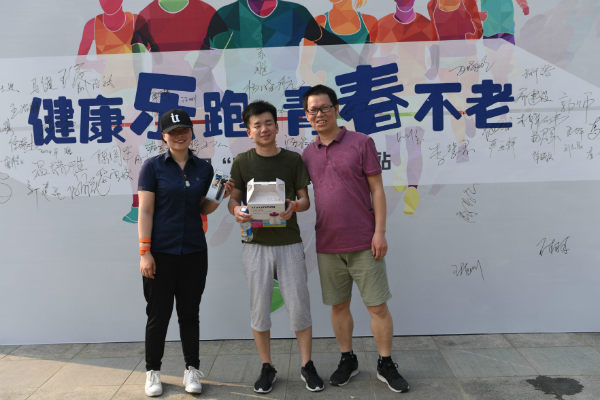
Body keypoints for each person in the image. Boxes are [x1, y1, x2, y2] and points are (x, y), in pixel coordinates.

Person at [301, 85, 410, 393]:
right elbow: (299, 195)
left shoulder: (362, 142)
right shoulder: (307, 154)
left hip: (364, 241)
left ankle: (385, 363)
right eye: (313, 110)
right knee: (339, 306)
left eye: (325, 107)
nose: (319, 114)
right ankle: (347, 358)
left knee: (377, 306)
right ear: (306, 115)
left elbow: (377, 189)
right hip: (328, 244)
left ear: (336, 109)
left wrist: (380, 232)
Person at [227, 100, 324, 394]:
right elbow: (234, 200)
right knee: (259, 307)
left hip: (289, 242)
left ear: (277, 126)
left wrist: (294, 206)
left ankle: (307, 364)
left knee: (299, 305)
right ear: (249, 131)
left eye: (268, 123)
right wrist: (236, 211)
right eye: (257, 125)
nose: (264, 129)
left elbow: (305, 200)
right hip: (255, 244)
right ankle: (267, 365)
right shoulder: (242, 162)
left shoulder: (293, 160)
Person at [138, 108, 233, 397]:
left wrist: (220, 195)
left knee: (189, 313)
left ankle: (192, 369)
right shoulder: (152, 167)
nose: (180, 136)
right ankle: (153, 371)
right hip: (161, 253)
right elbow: (146, 210)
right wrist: (145, 252)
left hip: (193, 251)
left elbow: (203, 209)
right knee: (158, 315)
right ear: (164, 136)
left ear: (192, 133)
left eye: (184, 131)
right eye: (173, 132)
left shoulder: (203, 168)